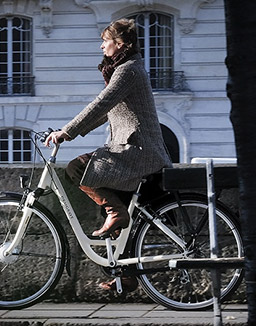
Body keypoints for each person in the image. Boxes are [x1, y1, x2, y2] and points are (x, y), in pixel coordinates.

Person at [44, 18, 172, 291]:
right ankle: (124, 277)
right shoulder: (126, 69)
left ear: (121, 43)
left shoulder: (128, 70)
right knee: (112, 226)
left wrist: (65, 132)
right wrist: (70, 132)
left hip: (138, 151)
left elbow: (101, 103)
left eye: (106, 41)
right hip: (134, 151)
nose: (102, 46)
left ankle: (116, 211)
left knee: (76, 169)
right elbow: (105, 113)